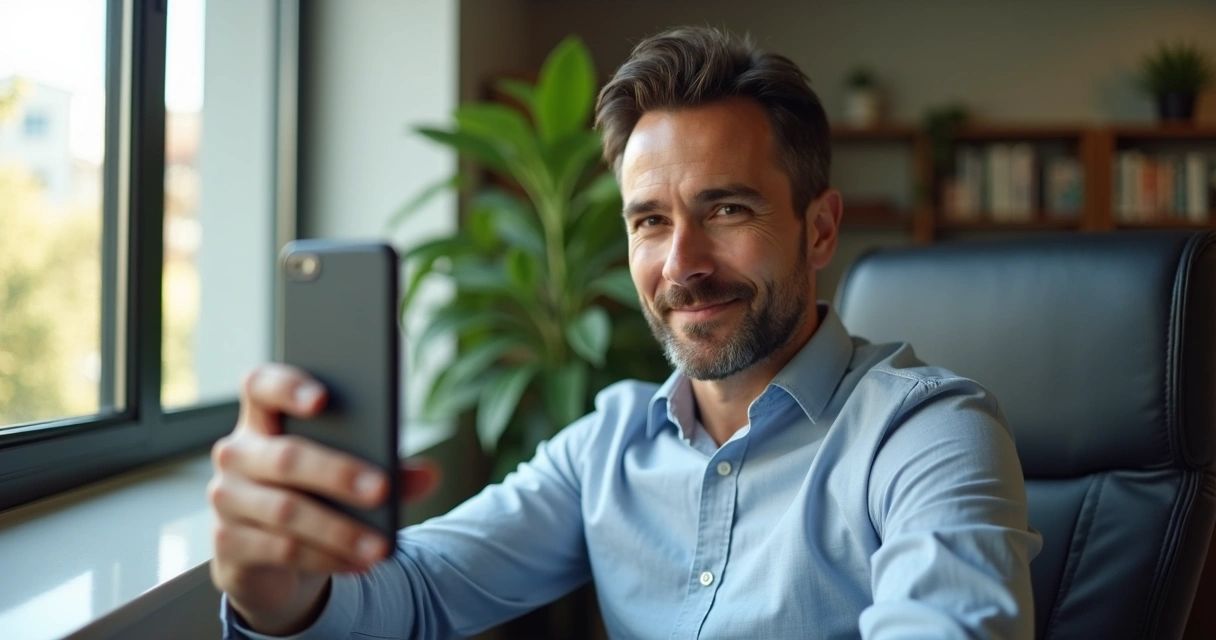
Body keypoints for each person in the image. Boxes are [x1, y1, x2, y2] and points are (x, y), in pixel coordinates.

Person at [210, 26, 1042, 640]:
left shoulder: (930, 433)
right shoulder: (606, 447)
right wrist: (282, 593)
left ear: (820, 229)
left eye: (726, 209)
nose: (682, 265)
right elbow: (421, 592)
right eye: (650, 221)